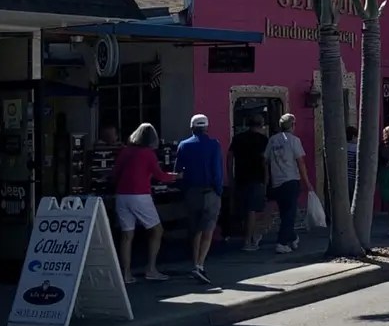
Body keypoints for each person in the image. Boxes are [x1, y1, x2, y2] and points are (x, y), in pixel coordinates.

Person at [111, 123, 177, 281]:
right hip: (140, 195)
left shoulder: (125, 151)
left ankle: (126, 274)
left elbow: (115, 173)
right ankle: (151, 269)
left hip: (122, 195)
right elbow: (159, 175)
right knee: (157, 230)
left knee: (127, 235)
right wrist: (175, 176)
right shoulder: (148, 154)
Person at [176, 113, 224, 284]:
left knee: (195, 229)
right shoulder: (214, 145)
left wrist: (184, 190)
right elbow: (217, 171)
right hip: (210, 191)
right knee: (208, 229)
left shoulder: (183, 145)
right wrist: (219, 191)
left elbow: (178, 172)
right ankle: (200, 265)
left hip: (191, 192)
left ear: (192, 127)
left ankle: (194, 263)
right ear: (206, 127)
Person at [266, 112, 310, 254]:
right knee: (289, 213)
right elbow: (300, 162)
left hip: (277, 181)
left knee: (285, 212)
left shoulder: (272, 140)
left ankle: (292, 237)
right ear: (292, 125)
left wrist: (268, 177)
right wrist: (306, 182)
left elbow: (264, 159)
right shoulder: (294, 140)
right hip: (291, 179)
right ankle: (282, 242)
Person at [229, 112, 270, 250]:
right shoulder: (264, 140)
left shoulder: (238, 138)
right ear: (261, 125)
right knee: (252, 209)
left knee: (244, 208)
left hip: (240, 176)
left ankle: (250, 236)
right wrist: (266, 179)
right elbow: (265, 162)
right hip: (256, 177)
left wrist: (230, 175)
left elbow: (229, 157)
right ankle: (248, 241)